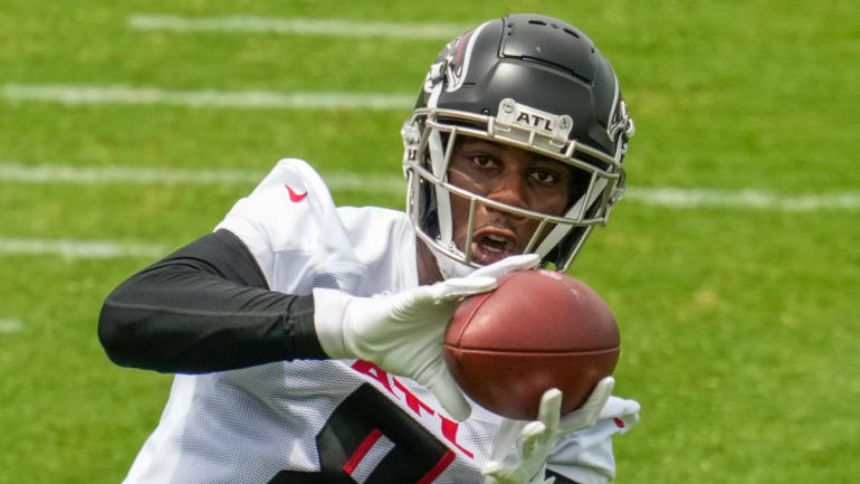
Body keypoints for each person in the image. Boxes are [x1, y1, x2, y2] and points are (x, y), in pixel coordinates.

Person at [99, 13, 639, 484]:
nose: (507, 199)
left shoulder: (564, 393)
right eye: (483, 162)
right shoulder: (316, 242)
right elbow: (131, 318)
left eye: (544, 176)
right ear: (429, 154)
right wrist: (344, 327)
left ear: (580, 201)